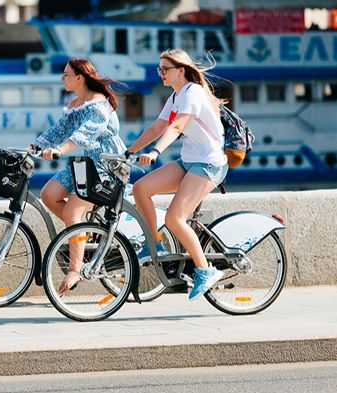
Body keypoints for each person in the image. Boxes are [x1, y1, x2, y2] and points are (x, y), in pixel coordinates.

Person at [125, 49, 228, 301]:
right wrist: (130, 151)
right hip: (190, 161)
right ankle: (155, 245)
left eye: (165, 69)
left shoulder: (192, 92)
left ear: (180, 70)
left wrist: (156, 151)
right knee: (140, 189)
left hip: (209, 164)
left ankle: (206, 270)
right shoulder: (176, 95)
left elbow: (177, 126)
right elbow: (158, 126)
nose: (160, 73)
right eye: (159, 69)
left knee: (175, 218)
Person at [32, 57, 127, 294]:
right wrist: (34, 147)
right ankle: (80, 234)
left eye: (66, 74)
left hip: (108, 165)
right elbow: (59, 130)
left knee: (73, 212)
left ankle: (75, 269)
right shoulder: (76, 103)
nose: (62, 78)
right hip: (86, 164)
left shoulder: (98, 105)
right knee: (49, 194)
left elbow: (83, 136)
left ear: (79, 77)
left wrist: (59, 151)